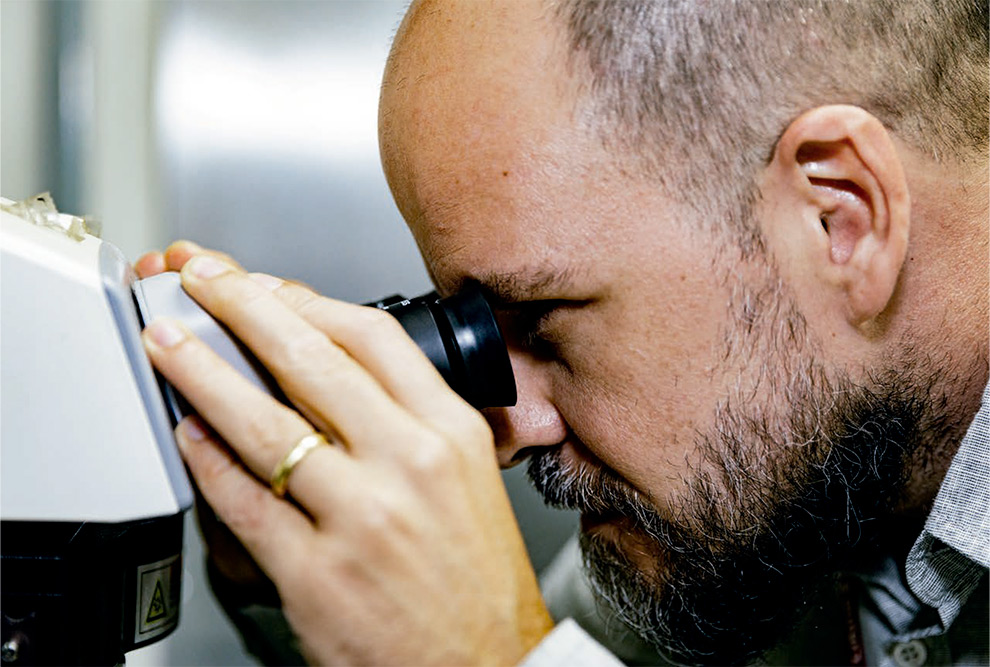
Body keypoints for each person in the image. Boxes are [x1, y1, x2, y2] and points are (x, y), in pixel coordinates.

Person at [136, 0, 989, 664]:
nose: (508, 435)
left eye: (541, 324)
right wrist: (297, 545)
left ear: (840, 220)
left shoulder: (726, 469)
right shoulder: (759, 496)